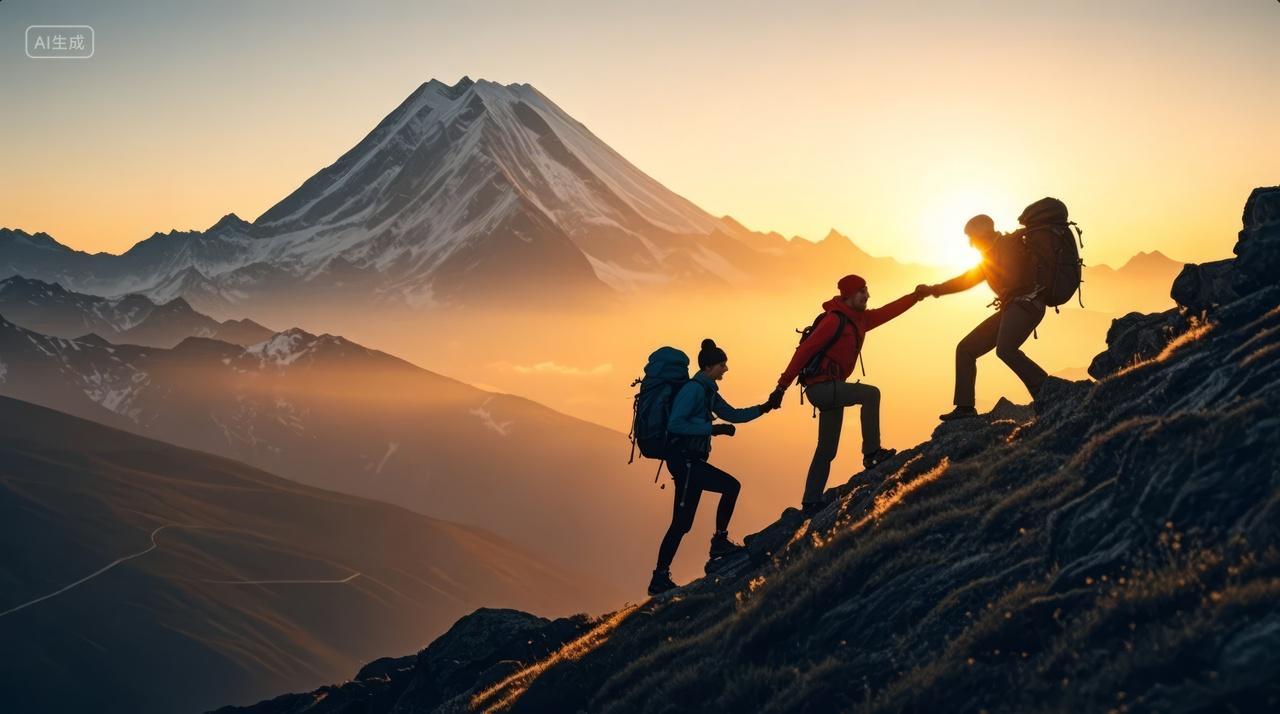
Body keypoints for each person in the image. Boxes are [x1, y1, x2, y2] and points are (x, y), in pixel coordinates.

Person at [767, 275, 923, 516]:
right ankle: (872, 453)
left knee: (827, 449)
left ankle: (810, 501)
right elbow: (805, 350)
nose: (867, 295)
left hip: (830, 388)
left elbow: (889, 311)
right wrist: (781, 386)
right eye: (862, 291)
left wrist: (915, 296)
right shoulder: (834, 320)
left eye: (867, 290)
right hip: (822, 389)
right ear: (848, 295)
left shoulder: (861, 319)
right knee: (871, 395)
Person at [649, 339, 774, 596]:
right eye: (721, 364)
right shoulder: (694, 391)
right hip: (685, 462)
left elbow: (732, 413)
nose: (725, 369)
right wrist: (712, 429)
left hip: (692, 462)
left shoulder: (708, 391)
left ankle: (660, 576)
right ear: (708, 367)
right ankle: (717, 543)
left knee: (682, 524)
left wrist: (764, 408)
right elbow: (675, 424)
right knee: (730, 487)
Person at [920, 214, 1049, 421]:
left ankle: (1047, 391)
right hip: (1013, 309)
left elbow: (1015, 279)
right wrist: (933, 290)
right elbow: (965, 281)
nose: (970, 244)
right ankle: (965, 408)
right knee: (966, 349)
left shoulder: (1007, 246)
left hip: (1027, 305)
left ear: (984, 235)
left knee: (1005, 350)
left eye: (972, 238)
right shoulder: (989, 256)